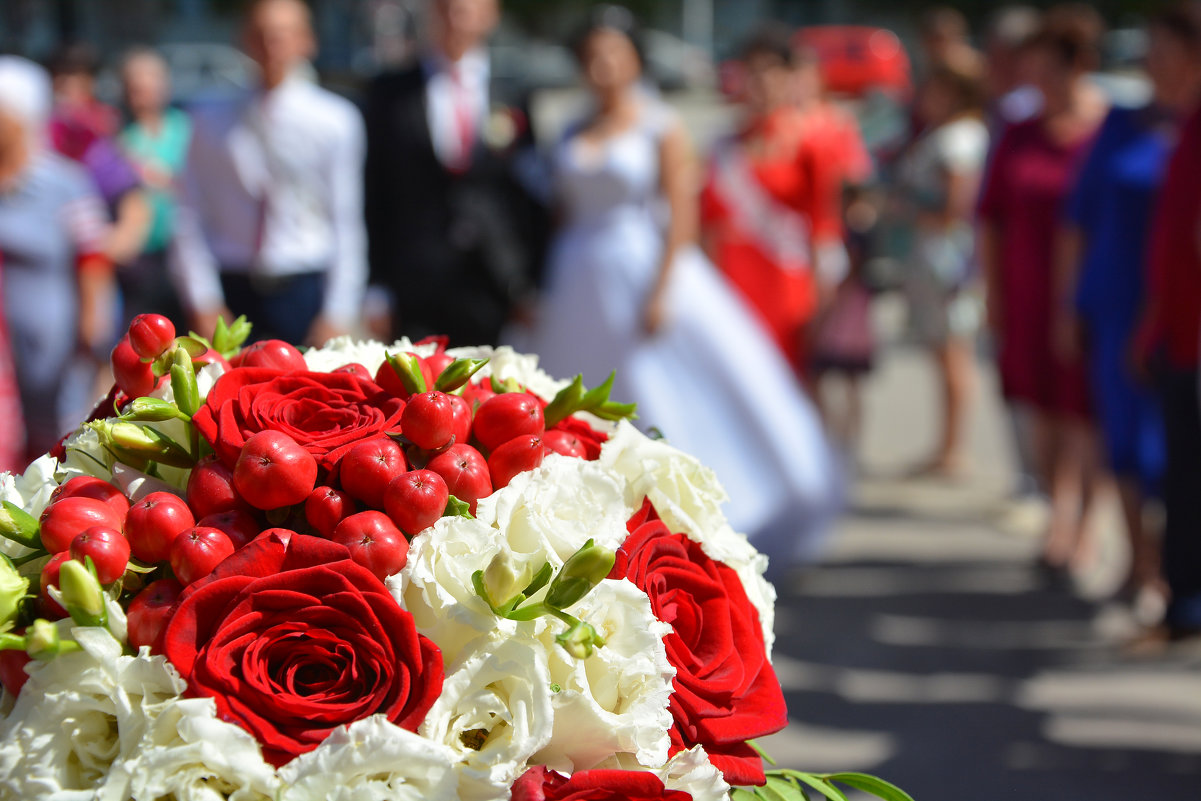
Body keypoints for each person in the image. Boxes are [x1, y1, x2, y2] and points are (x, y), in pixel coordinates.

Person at [523, 7, 842, 567]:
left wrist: (664, 285)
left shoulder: (659, 123)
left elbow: (681, 213)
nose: (603, 65)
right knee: (582, 398)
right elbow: (561, 214)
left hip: (639, 267)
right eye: (592, 56)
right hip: (577, 278)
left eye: (613, 53)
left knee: (662, 394)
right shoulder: (573, 128)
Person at [1062, 7, 1201, 613]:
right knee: (1124, 442)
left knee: (1175, 459)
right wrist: (1070, 305)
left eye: (1166, 51)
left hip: (1175, 315)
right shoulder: (1123, 124)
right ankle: (1145, 569)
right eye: (1149, 51)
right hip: (1124, 306)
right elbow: (1079, 220)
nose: (1152, 63)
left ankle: (1178, 584)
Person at [978, 11, 1107, 573]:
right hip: (1027, 292)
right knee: (1044, 413)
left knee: (1088, 411)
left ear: (1077, 67)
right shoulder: (1019, 133)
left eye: (1047, 69)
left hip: (1091, 294)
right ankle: (1060, 510)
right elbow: (990, 218)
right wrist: (994, 296)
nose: (1037, 81)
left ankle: (1080, 526)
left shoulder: (1107, 129)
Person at [172, 0, 367, 345]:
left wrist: (339, 310)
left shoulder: (335, 120)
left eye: (283, 34)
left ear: (307, 40)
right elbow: (189, 213)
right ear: (244, 39)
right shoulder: (208, 119)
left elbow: (345, 217)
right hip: (232, 284)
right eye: (261, 34)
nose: (271, 45)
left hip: (304, 285)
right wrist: (201, 298)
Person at [363, 0, 547, 347]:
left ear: (491, 14)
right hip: (415, 276)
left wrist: (529, 281)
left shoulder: (512, 91)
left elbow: (528, 189)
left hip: (492, 276)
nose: (456, 17)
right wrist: (376, 285)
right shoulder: (392, 91)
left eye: (467, 7)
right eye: (446, 7)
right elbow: (375, 190)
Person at [700, 26, 844, 376]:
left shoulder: (812, 144)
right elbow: (706, 226)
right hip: (732, 289)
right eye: (754, 71)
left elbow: (825, 225)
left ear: (789, 77)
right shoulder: (722, 147)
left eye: (772, 70)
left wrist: (824, 303)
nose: (763, 81)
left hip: (789, 289)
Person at [0, 56, 114, 462]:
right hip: (5, 352)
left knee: (56, 441)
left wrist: (91, 325)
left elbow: (93, 256)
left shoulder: (65, 182)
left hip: (54, 337)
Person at [896, 63, 989, 478]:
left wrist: (904, 206)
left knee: (954, 352)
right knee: (945, 352)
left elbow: (957, 206)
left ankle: (955, 449)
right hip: (935, 256)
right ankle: (947, 445)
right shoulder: (947, 132)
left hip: (947, 259)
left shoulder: (960, 137)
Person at [117, 46, 191, 328]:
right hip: (141, 256)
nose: (143, 94)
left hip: (184, 247)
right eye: (135, 88)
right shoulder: (119, 137)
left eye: (149, 86)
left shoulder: (186, 128)